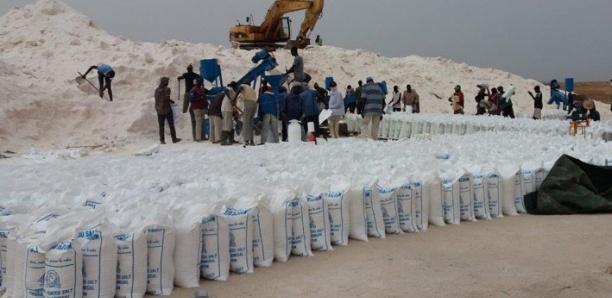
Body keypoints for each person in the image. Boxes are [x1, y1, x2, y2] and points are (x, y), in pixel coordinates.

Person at [177, 64, 202, 141]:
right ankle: (187, 109)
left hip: (189, 92)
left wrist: (179, 78)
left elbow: (181, 77)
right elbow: (199, 77)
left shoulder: (186, 75)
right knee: (191, 103)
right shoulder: (194, 75)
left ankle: (185, 109)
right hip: (192, 92)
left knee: (187, 102)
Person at [154, 77, 181, 144]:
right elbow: (167, 98)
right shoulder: (167, 89)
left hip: (159, 109)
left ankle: (162, 140)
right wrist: (172, 102)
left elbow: (156, 99)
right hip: (167, 109)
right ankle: (174, 139)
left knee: (161, 126)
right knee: (171, 124)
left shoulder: (157, 90)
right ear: (166, 82)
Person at [189, 78, 208, 142]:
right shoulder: (193, 90)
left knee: (202, 123)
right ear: (197, 82)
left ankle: (202, 137)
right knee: (198, 123)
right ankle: (198, 138)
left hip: (202, 107)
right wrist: (199, 98)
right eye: (199, 82)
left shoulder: (201, 89)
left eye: (201, 82)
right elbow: (191, 99)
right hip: (196, 108)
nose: (201, 83)